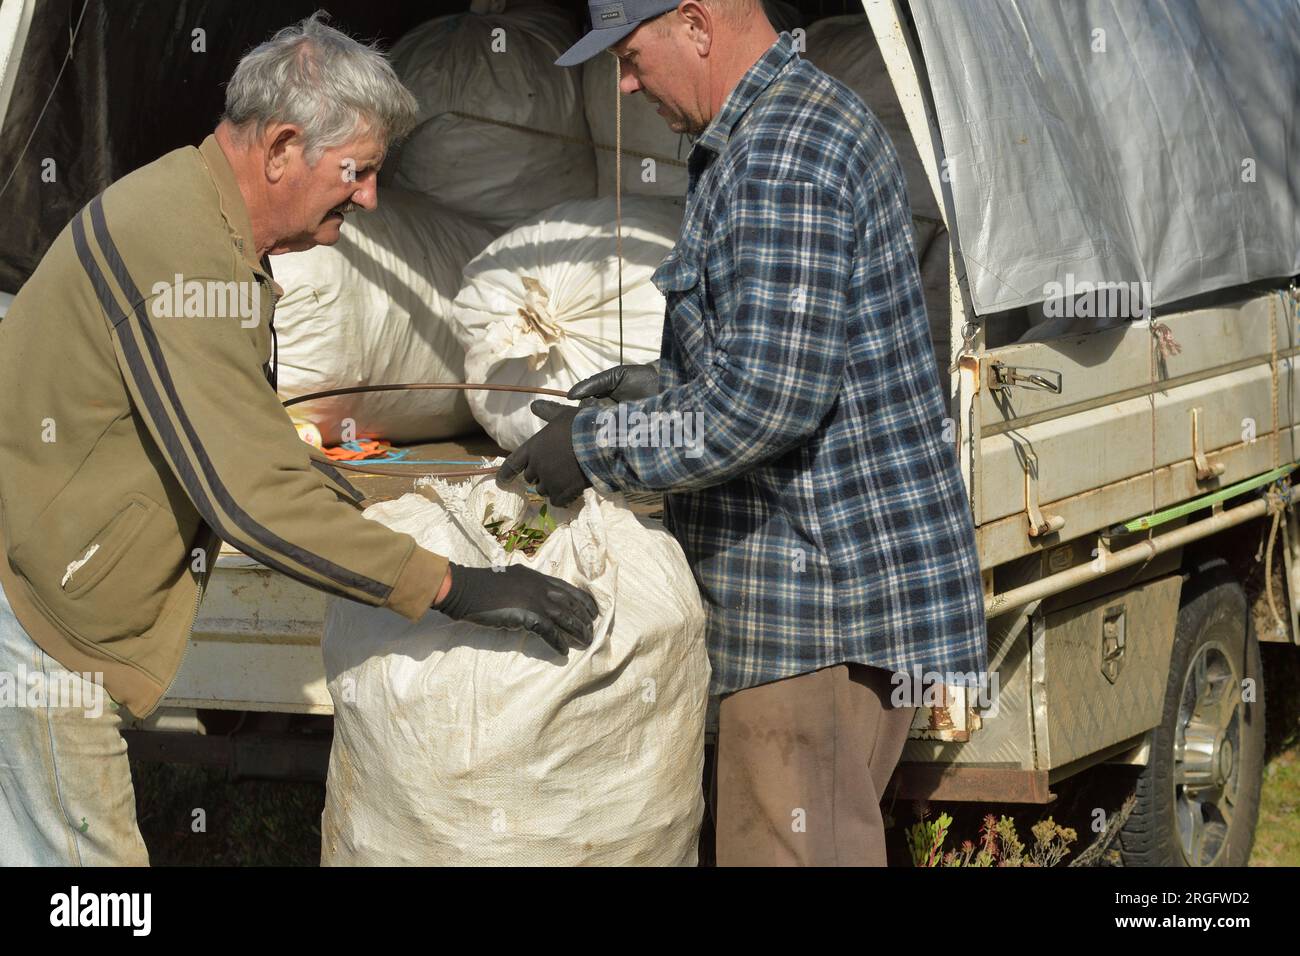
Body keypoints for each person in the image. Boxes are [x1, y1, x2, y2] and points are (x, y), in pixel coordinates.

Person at [0, 13, 597, 866]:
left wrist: (420, 511)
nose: (370, 198)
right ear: (281, 147)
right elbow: (251, 496)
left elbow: (257, 442)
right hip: (41, 621)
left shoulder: (204, 223)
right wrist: (447, 583)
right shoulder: (180, 251)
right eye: (357, 172)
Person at [504, 0, 989, 866]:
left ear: (695, 23)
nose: (623, 79)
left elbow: (764, 405)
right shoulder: (786, 128)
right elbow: (797, 356)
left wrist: (591, 446)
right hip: (818, 613)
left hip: (810, 615)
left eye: (631, 51)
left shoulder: (781, 155)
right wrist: (666, 384)